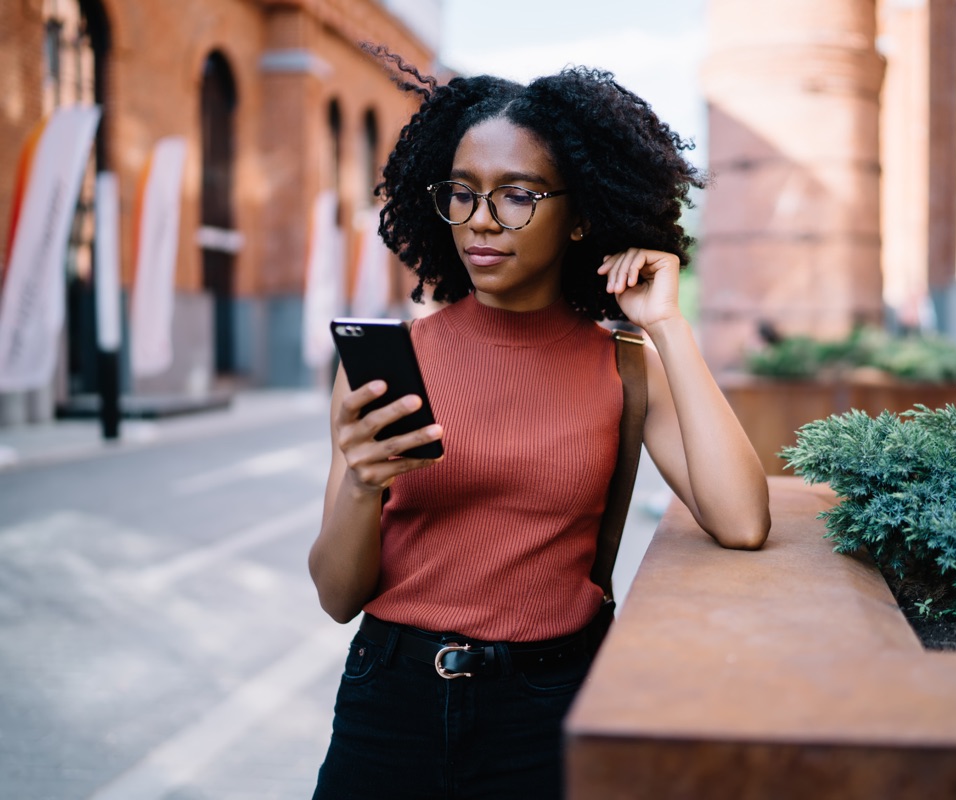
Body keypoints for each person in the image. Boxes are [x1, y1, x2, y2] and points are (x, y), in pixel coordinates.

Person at [309, 50, 771, 800]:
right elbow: (335, 597)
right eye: (461, 194)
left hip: (549, 706)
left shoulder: (624, 366)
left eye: (516, 196)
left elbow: (743, 519)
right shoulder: (396, 361)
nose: (481, 222)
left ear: (582, 213)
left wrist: (667, 328)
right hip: (388, 701)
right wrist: (364, 485)